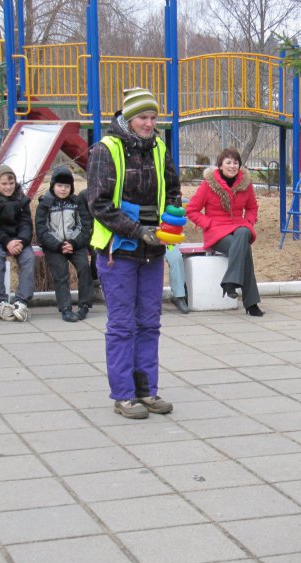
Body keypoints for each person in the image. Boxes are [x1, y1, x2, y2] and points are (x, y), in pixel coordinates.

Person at [86, 87, 181, 419]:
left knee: (149, 323)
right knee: (123, 325)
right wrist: (138, 230)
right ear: (129, 117)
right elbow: (98, 203)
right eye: (143, 117)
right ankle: (124, 395)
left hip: (152, 251)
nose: (149, 123)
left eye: (153, 117)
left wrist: (173, 219)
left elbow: (173, 189)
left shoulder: (159, 147)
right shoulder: (105, 149)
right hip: (118, 251)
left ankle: (147, 390)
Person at [185, 147, 263, 316]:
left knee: (243, 232)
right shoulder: (208, 185)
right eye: (228, 162)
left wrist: (248, 221)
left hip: (239, 226)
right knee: (244, 249)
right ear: (220, 166)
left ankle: (230, 282)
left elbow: (252, 208)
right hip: (217, 231)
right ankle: (251, 304)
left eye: (236, 163)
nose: (232, 166)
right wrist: (208, 224)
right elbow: (192, 210)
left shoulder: (245, 184)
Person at [35, 166, 94, 322]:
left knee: (83, 268)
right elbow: (42, 230)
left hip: (75, 244)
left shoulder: (77, 202)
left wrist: (73, 243)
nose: (63, 189)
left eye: (67, 186)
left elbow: (85, 226)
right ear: (53, 185)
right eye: (60, 186)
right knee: (61, 274)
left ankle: (85, 305)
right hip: (54, 246)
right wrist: (58, 245)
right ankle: (65, 308)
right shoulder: (45, 204)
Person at [0, 164, 35, 322]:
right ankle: (1, 301)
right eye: (4, 184)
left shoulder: (22, 199)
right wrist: (7, 242)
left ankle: (21, 301)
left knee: (29, 258)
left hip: (18, 239)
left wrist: (22, 241)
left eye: (11, 183)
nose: (8, 187)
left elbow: (26, 224)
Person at [165, 245, 189, 313]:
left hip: (167, 244)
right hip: (146, 245)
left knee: (176, 257)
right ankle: (152, 302)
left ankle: (179, 296)